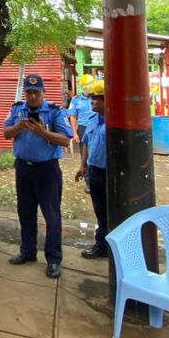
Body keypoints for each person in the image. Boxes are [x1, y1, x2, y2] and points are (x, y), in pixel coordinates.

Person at [3, 74, 72, 278]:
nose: (32, 96)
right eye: (29, 92)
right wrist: (19, 126)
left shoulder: (54, 112)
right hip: (24, 168)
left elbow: (66, 140)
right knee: (25, 212)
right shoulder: (17, 109)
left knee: (51, 216)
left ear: (43, 92)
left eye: (36, 92)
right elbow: (6, 133)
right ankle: (28, 251)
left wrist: (42, 132)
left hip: (47, 170)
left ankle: (53, 259)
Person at [74, 80, 108, 259]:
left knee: (110, 210)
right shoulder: (93, 119)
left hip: (110, 174)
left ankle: (106, 245)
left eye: (96, 99)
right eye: (91, 99)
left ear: (106, 100)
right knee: (99, 209)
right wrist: (82, 166)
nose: (92, 102)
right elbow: (86, 142)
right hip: (94, 171)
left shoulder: (114, 121)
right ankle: (102, 244)